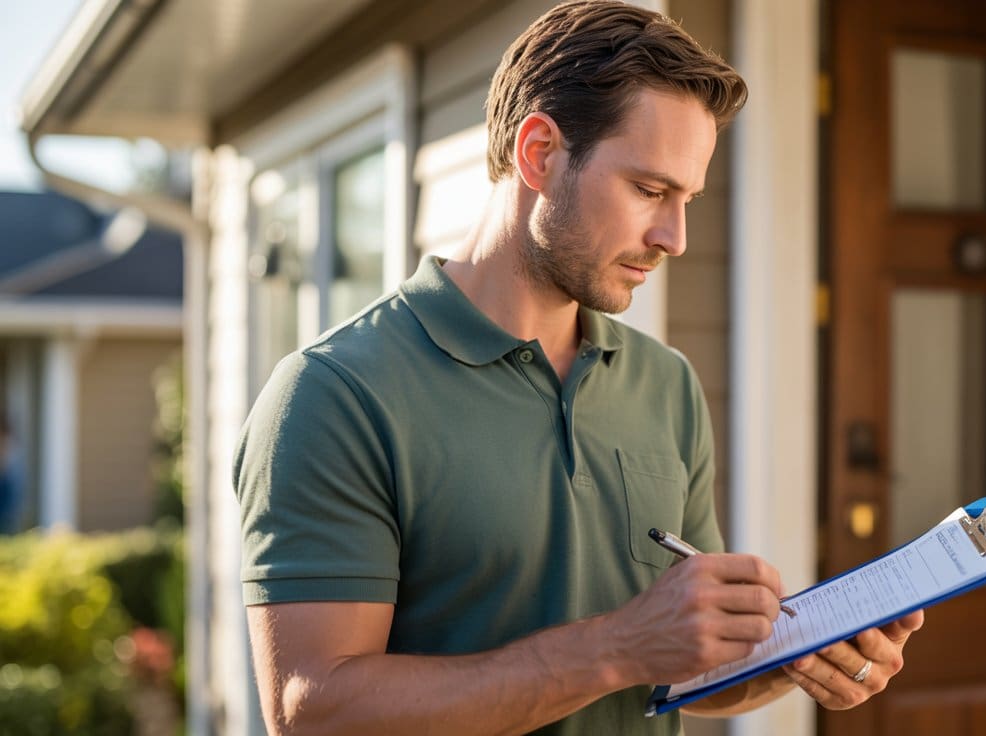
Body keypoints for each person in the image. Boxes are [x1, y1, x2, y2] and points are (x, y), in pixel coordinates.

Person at [234, 2, 923, 734]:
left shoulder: (666, 386)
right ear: (538, 153)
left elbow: (681, 666)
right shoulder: (334, 395)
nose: (675, 237)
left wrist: (790, 657)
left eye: (686, 199)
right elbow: (313, 710)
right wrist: (616, 646)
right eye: (650, 190)